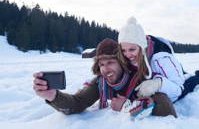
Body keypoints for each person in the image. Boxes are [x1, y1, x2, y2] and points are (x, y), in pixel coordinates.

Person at [33, 38, 177, 117]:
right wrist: (52, 96)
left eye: (110, 62)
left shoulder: (139, 77)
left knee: (189, 83)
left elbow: (167, 108)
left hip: (173, 82)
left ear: (121, 63)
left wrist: (128, 106)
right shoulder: (101, 82)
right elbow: (77, 103)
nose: (105, 68)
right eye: (101, 64)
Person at [117, 17, 199, 103]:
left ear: (142, 47)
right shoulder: (127, 57)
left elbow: (178, 89)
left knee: (186, 85)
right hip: (162, 72)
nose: (127, 55)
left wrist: (158, 84)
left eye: (132, 49)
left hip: (172, 72)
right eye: (123, 50)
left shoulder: (162, 59)